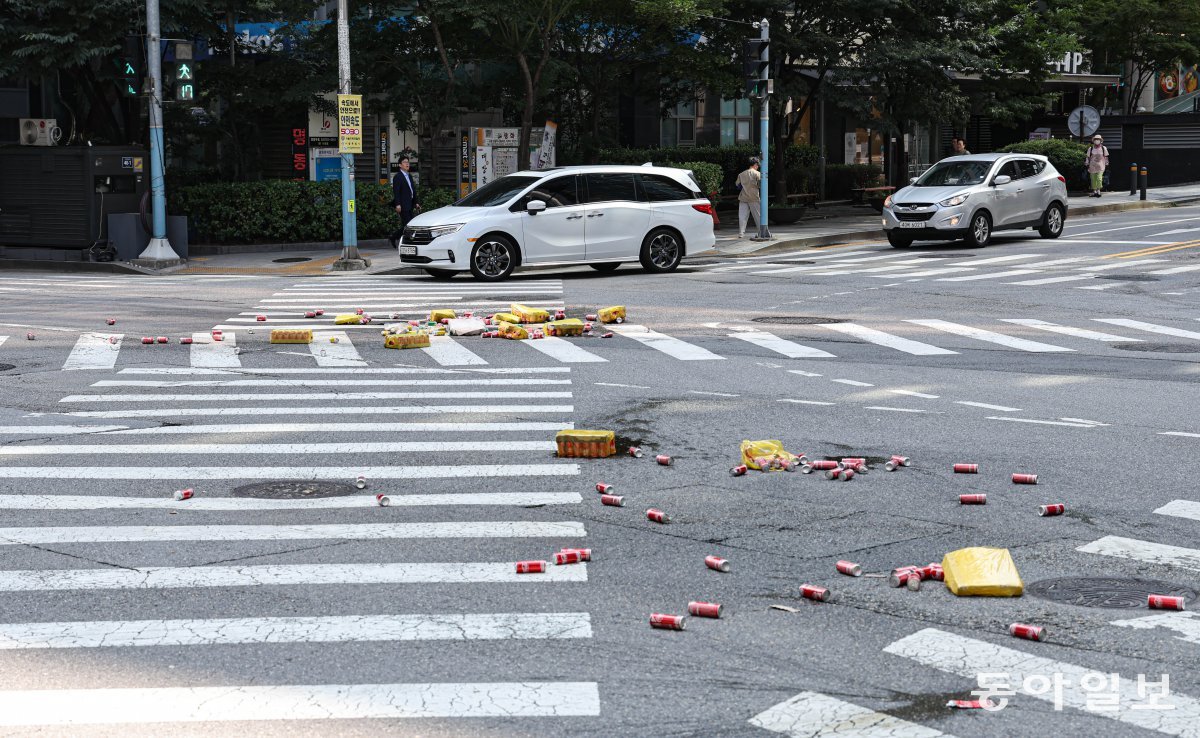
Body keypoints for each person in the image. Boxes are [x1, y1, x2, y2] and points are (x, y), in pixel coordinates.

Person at [390, 156, 421, 247]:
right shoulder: (397, 177)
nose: (407, 163)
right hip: (403, 205)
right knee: (409, 224)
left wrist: (416, 202)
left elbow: (413, 190)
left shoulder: (409, 176)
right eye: (404, 162)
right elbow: (396, 192)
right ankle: (407, 241)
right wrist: (398, 204)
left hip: (410, 203)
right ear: (400, 165)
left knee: (409, 224)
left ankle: (394, 236)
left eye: (408, 162)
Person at [736, 158, 762, 238]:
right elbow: (760, 185)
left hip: (743, 197)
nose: (758, 167)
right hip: (754, 197)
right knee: (758, 216)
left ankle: (741, 233)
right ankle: (760, 231)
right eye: (758, 165)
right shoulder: (758, 174)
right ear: (755, 165)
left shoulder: (741, 174)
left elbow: (738, 185)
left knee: (742, 216)